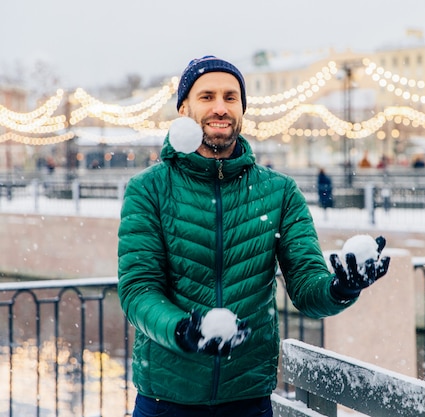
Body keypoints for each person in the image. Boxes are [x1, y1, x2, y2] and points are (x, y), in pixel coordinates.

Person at [117, 55, 391, 417]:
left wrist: (342, 288)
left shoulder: (279, 192)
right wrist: (182, 329)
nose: (220, 107)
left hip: (248, 398)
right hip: (166, 398)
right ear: (183, 108)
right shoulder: (148, 189)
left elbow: (308, 289)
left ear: (242, 109)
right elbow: (139, 291)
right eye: (206, 96)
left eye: (231, 97)